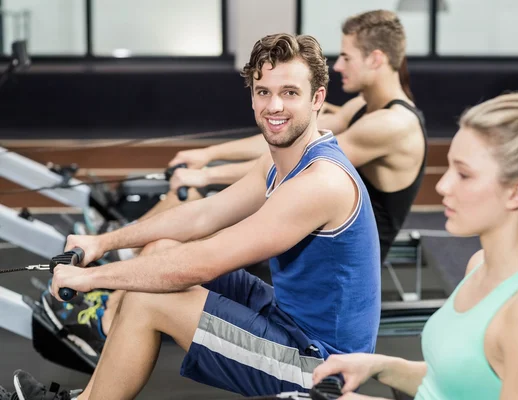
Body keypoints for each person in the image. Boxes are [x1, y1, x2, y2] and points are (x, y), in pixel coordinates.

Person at [2, 32, 381, 400]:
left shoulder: (320, 181)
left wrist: (93, 277)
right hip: (286, 317)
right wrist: (103, 241)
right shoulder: (281, 160)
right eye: (263, 92)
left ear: (318, 99)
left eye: (289, 93)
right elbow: (205, 214)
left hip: (320, 365)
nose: (274, 106)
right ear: (251, 96)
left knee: (149, 299)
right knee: (160, 249)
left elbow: (202, 263)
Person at [40, 9, 427, 358]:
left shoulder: (385, 128)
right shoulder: (361, 108)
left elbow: (288, 138)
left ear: (375, 59)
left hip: (327, 283)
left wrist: (208, 172)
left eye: (347, 55)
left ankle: (109, 307)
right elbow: (279, 138)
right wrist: (208, 161)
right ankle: (112, 300)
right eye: (263, 93)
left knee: (173, 269)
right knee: (175, 232)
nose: (340, 64)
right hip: (301, 262)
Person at [311, 92, 518, 400]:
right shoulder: (479, 264)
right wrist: (381, 366)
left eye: (463, 174)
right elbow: (456, 384)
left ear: (517, 193)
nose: (442, 185)